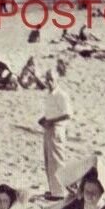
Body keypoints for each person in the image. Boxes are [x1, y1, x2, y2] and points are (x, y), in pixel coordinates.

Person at [39, 70, 72, 200]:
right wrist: (44, 119)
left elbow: (67, 114)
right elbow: (53, 113)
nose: (49, 82)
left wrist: (50, 121)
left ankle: (60, 193)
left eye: (51, 79)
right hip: (48, 129)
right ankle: (54, 190)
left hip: (56, 129)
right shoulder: (49, 95)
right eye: (47, 79)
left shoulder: (61, 95)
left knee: (57, 161)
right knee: (49, 161)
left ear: (57, 80)